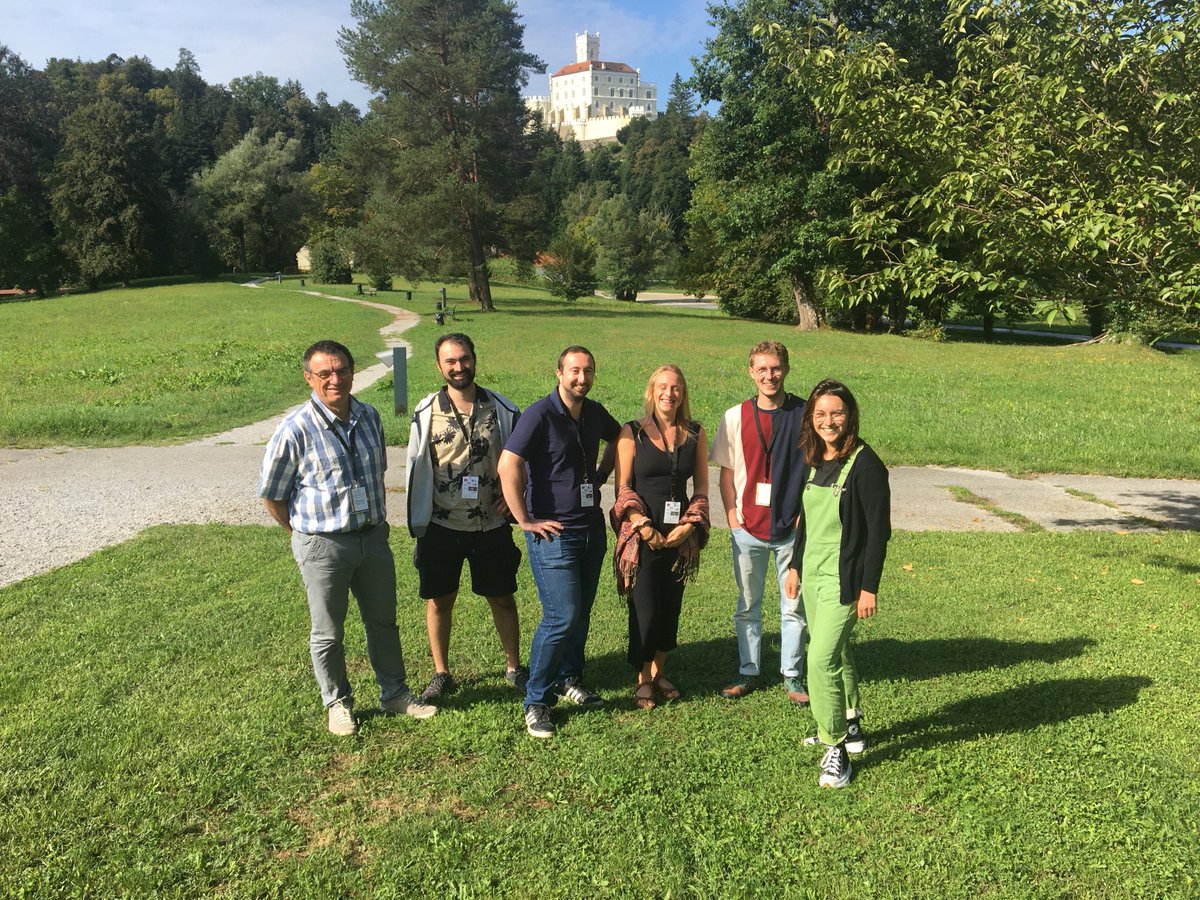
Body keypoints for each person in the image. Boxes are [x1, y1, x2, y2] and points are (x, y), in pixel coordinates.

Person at [259, 339, 436, 736]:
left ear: (353, 372)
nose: (334, 379)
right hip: (323, 544)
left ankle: (394, 694)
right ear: (309, 378)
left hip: (372, 539)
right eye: (325, 373)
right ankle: (337, 702)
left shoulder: (370, 416)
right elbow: (272, 495)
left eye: (341, 371)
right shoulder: (294, 429)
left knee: (384, 623)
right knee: (328, 631)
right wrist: (301, 534)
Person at [498, 346, 620, 739]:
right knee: (560, 616)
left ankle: (570, 677)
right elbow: (508, 463)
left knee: (581, 612)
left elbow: (621, 438)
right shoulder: (539, 414)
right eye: (574, 371)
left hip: (591, 530)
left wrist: (602, 474)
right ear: (559, 373)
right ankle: (536, 699)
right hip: (554, 536)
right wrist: (525, 520)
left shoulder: (595, 412)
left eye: (588, 371)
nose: (581, 378)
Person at [406, 333, 528, 703]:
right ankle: (441, 673)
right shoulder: (426, 411)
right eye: (450, 362)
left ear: (475, 359)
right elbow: (414, 466)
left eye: (464, 359)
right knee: (440, 600)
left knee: (503, 598)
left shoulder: (503, 409)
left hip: (490, 525)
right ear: (439, 367)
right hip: (442, 525)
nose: (459, 367)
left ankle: (513, 667)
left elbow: (523, 459)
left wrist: (515, 498)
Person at [784, 379, 890, 788]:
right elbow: (806, 520)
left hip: (843, 581)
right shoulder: (816, 457)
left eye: (837, 413)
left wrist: (869, 588)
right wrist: (794, 566)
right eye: (821, 414)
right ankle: (852, 727)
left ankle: (836, 749)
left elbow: (878, 533)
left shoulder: (866, 464)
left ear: (850, 416)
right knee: (839, 653)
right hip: (811, 573)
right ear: (812, 418)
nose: (829, 421)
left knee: (820, 660)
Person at [709, 340, 809, 703]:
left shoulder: (805, 413)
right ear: (751, 371)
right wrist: (732, 515)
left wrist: (805, 514)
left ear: (786, 368)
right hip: (748, 527)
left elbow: (817, 466)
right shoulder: (734, 416)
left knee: (793, 606)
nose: (770, 375)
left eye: (776, 367)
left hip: (791, 529)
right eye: (762, 369)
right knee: (747, 605)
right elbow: (726, 471)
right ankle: (748, 671)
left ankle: (793, 675)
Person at [611, 365, 710, 709]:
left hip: (680, 538)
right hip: (643, 536)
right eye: (664, 387)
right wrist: (642, 524)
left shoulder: (695, 432)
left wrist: (690, 525)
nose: (670, 394)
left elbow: (700, 489)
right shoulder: (632, 432)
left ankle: (658, 672)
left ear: (683, 394)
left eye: (677, 388)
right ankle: (641, 679)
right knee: (645, 608)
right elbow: (622, 488)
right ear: (652, 391)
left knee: (670, 607)